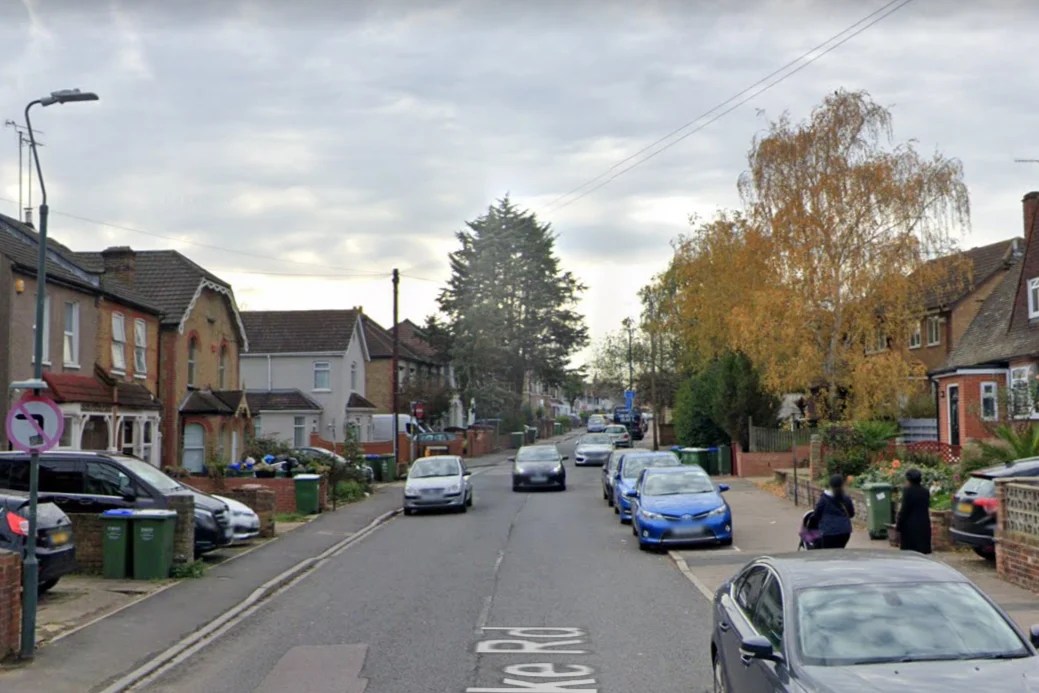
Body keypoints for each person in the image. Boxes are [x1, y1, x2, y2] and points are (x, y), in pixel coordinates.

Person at [895, 468, 932, 554]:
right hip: (923, 525)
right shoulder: (925, 491)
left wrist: (898, 526)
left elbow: (904, 510)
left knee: (909, 553)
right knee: (922, 553)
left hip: (910, 527)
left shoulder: (908, 491)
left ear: (908, 479)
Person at [813, 474, 855, 549]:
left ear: (830, 485)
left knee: (829, 554)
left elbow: (816, 515)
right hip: (844, 531)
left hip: (828, 531)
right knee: (840, 551)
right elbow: (851, 514)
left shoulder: (824, 499)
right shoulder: (846, 498)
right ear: (842, 484)